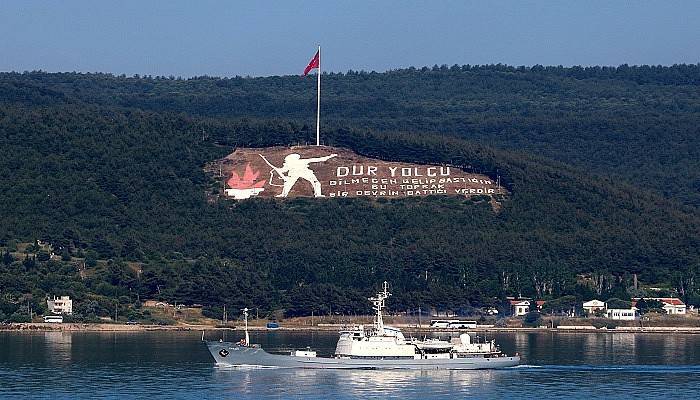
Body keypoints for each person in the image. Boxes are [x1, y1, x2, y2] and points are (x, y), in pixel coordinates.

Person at [269, 153, 337, 197]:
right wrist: (277, 169)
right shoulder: (289, 164)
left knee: (316, 182)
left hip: (305, 172)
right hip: (294, 173)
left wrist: (329, 156)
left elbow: (317, 159)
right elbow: (283, 170)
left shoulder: (300, 161)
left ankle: (318, 194)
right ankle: (283, 194)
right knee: (288, 184)